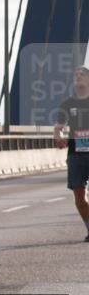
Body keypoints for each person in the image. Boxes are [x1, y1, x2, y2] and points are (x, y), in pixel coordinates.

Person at [53, 64, 89, 242]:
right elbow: (58, 127)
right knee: (79, 197)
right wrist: (58, 136)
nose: (78, 76)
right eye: (76, 75)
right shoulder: (67, 104)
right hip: (76, 154)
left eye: (82, 74)